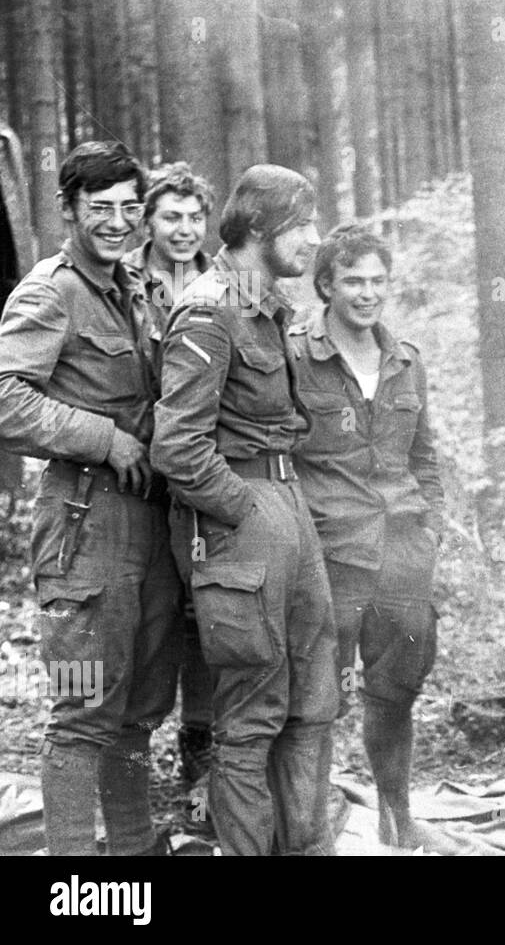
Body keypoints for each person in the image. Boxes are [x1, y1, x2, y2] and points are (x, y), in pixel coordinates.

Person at [0, 141, 181, 855]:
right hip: (83, 529)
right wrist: (101, 437)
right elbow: (4, 396)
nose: (116, 221)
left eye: (128, 208)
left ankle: (132, 858)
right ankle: (72, 876)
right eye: (98, 208)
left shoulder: (137, 289)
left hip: (149, 524)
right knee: (81, 710)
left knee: (137, 709)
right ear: (69, 209)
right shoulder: (50, 291)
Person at [151, 164, 337, 856]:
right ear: (260, 229)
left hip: (289, 508)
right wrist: (247, 512)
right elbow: (178, 446)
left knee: (313, 704)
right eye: (303, 226)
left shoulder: (269, 306)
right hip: (245, 519)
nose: (314, 241)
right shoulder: (208, 309)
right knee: (253, 715)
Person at [288, 224, 443, 849]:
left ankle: (395, 815)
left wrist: (430, 523)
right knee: (316, 700)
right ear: (325, 284)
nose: (367, 293)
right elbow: (279, 452)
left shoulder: (405, 359)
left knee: (396, 692)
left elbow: (425, 455)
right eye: (353, 281)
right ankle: (309, 831)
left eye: (378, 281)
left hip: (403, 553)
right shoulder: (294, 355)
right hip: (329, 555)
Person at [124, 161, 218, 796]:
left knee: (204, 611)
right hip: (132, 472)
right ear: (148, 220)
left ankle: (200, 745)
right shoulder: (120, 279)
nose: (184, 230)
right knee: (142, 614)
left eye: (195, 218)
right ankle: (128, 754)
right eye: (171, 217)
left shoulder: (225, 283)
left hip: (201, 468)